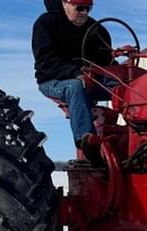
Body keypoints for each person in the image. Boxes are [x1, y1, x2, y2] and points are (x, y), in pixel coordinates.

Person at [32, 0, 114, 162]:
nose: (84, 13)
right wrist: (75, 73)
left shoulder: (95, 29)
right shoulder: (46, 24)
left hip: (91, 80)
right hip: (53, 81)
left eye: (88, 9)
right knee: (76, 86)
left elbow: (106, 61)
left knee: (126, 88)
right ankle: (86, 140)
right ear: (64, 4)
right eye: (80, 8)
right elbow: (45, 62)